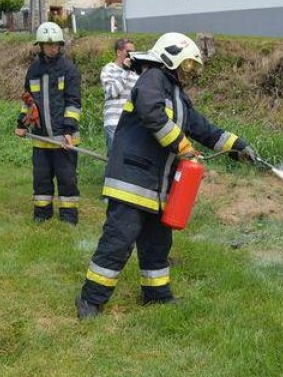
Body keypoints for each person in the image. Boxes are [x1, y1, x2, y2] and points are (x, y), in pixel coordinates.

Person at [76, 33, 261, 319]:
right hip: (132, 180)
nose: (189, 72)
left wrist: (236, 145)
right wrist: (183, 146)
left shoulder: (177, 94)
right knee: (118, 240)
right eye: (186, 64)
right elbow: (152, 113)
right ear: (169, 56)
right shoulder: (152, 78)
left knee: (157, 244)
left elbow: (203, 129)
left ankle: (157, 296)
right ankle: (90, 300)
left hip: (157, 187)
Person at [15, 21, 82, 225]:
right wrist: (22, 124)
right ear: (41, 46)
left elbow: (73, 103)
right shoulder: (33, 70)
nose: (53, 48)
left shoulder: (69, 70)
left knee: (67, 179)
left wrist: (69, 130)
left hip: (64, 139)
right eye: (49, 45)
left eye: (56, 45)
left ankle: (68, 217)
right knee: (41, 179)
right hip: (41, 139)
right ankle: (42, 215)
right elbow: (28, 101)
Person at [100, 38, 139, 153]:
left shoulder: (135, 73)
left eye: (134, 52)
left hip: (131, 124)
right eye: (128, 52)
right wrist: (126, 71)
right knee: (115, 160)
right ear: (118, 52)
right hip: (114, 123)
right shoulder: (108, 69)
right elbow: (112, 92)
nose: (131, 55)